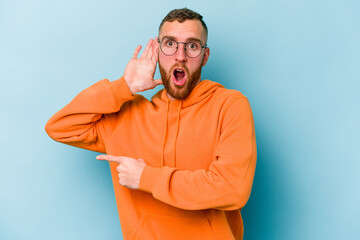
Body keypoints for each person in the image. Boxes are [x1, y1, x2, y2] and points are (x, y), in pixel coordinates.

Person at [45, 8, 256, 240]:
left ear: (205, 57)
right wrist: (124, 87)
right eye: (170, 44)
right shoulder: (128, 115)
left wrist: (146, 177)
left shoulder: (230, 106)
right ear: (157, 51)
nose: (180, 56)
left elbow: (233, 189)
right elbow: (60, 127)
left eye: (192, 46)